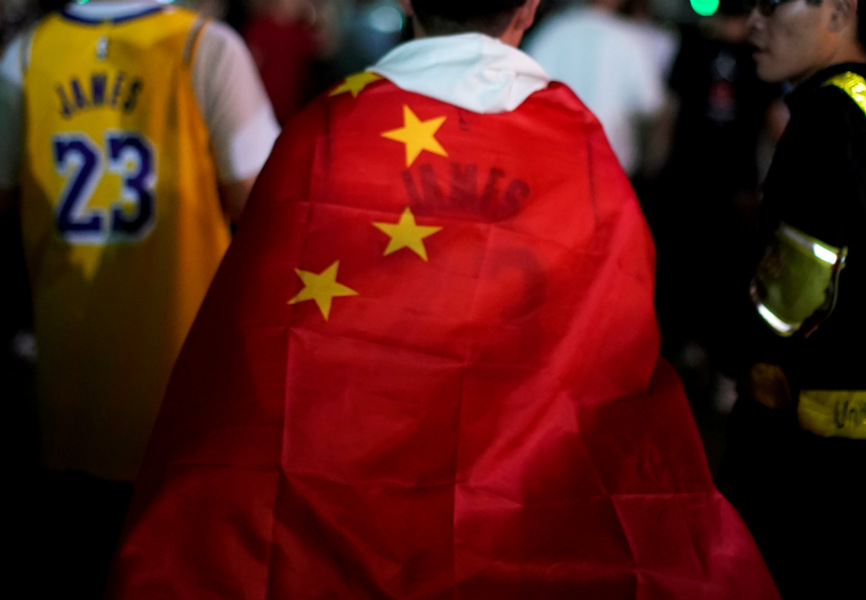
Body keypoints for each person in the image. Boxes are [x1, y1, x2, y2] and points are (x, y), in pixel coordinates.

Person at [107, 1, 779, 597]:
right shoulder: (578, 144)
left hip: (338, 501)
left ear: (408, 1)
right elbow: (617, 328)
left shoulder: (329, 130)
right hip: (526, 506)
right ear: (528, 7)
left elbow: (257, 331)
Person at [0, 0, 279, 595]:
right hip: (181, 386)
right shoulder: (205, 46)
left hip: (67, 381)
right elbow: (263, 209)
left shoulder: (25, 55)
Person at [715, 0, 866, 598]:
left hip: (806, 452)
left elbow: (792, 297)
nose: (754, 21)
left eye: (774, 4)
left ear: (839, 11)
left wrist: (733, 340)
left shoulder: (828, 113)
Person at [524, 0, 666, 178]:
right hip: (610, 166)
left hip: (554, 162)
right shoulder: (630, 39)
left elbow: (525, 90)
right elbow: (649, 105)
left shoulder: (553, 30)